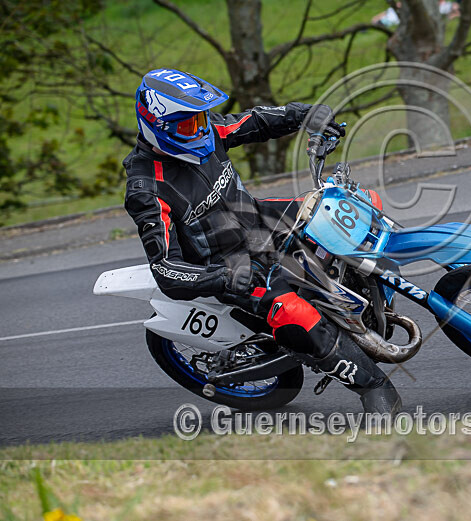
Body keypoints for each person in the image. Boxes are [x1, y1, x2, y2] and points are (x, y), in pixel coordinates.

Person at [123, 68, 401, 415]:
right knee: (295, 312)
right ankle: (374, 388)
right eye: (188, 124)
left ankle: (373, 303)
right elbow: (165, 269)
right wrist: (221, 278)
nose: (200, 129)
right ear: (157, 125)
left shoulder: (205, 132)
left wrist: (304, 114)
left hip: (258, 218)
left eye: (201, 118)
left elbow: (254, 121)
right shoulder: (146, 189)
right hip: (230, 264)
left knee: (358, 205)